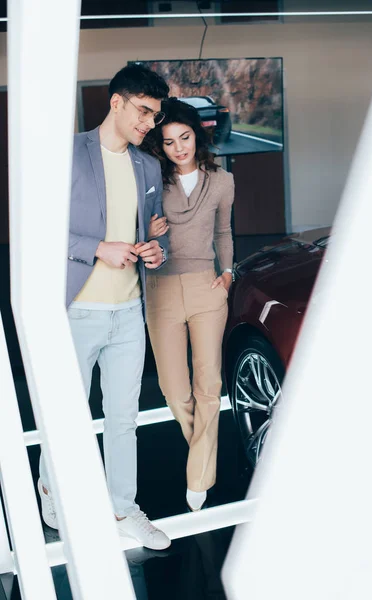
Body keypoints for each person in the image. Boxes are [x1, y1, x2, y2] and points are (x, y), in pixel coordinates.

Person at [37, 64, 171, 550]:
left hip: (128, 312)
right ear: (116, 102)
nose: (149, 123)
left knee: (123, 417)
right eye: (143, 111)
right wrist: (96, 247)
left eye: (155, 116)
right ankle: (51, 485)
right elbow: (37, 231)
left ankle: (122, 507)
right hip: (76, 309)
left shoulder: (148, 166)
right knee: (67, 413)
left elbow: (153, 232)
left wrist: (157, 252)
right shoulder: (66, 154)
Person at [144, 97, 234, 512]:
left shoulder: (221, 181)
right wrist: (148, 230)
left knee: (209, 383)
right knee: (174, 389)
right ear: (159, 147)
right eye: (168, 142)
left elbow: (223, 232)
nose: (179, 148)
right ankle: (206, 453)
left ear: (197, 135)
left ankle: (198, 474)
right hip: (160, 288)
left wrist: (228, 273)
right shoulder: (150, 180)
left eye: (185, 137)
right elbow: (128, 231)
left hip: (205, 286)